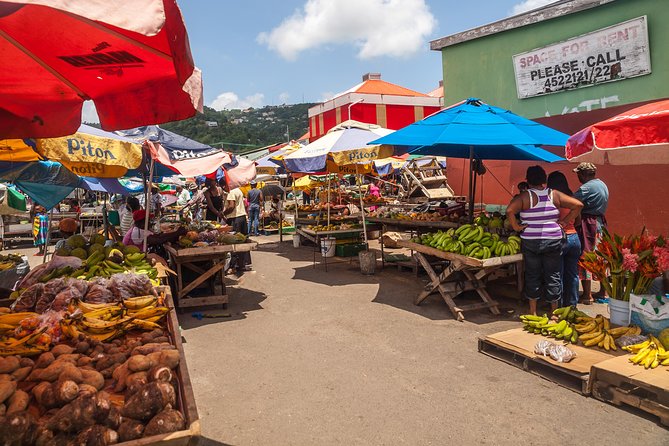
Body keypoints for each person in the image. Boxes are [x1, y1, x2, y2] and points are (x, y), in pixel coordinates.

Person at [506, 166, 583, 316]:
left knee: (532, 275)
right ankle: (554, 313)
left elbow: (510, 210)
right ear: (544, 180)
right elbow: (578, 205)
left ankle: (533, 311)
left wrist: (516, 227)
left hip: (530, 241)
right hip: (553, 240)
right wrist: (564, 222)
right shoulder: (553, 194)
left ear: (527, 180)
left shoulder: (524, 196)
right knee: (552, 275)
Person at [573, 162, 609, 304]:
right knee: (601, 258)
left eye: (578, 174)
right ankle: (603, 291)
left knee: (586, 257)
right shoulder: (602, 184)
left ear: (583, 174)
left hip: (589, 225)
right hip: (600, 225)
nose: (578, 177)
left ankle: (587, 295)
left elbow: (573, 202)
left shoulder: (586, 188)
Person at [547, 171, 582, 307]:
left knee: (558, 274)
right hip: (574, 238)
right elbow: (578, 220)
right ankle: (572, 305)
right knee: (573, 274)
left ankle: (559, 306)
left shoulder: (552, 199)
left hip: (559, 239)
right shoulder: (571, 198)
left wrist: (562, 223)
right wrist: (568, 221)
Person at [224, 181, 251, 275]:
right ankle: (243, 264)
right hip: (242, 217)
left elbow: (231, 206)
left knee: (234, 242)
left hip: (235, 219)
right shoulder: (238, 190)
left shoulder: (231, 192)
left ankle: (233, 266)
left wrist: (223, 213)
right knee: (243, 241)